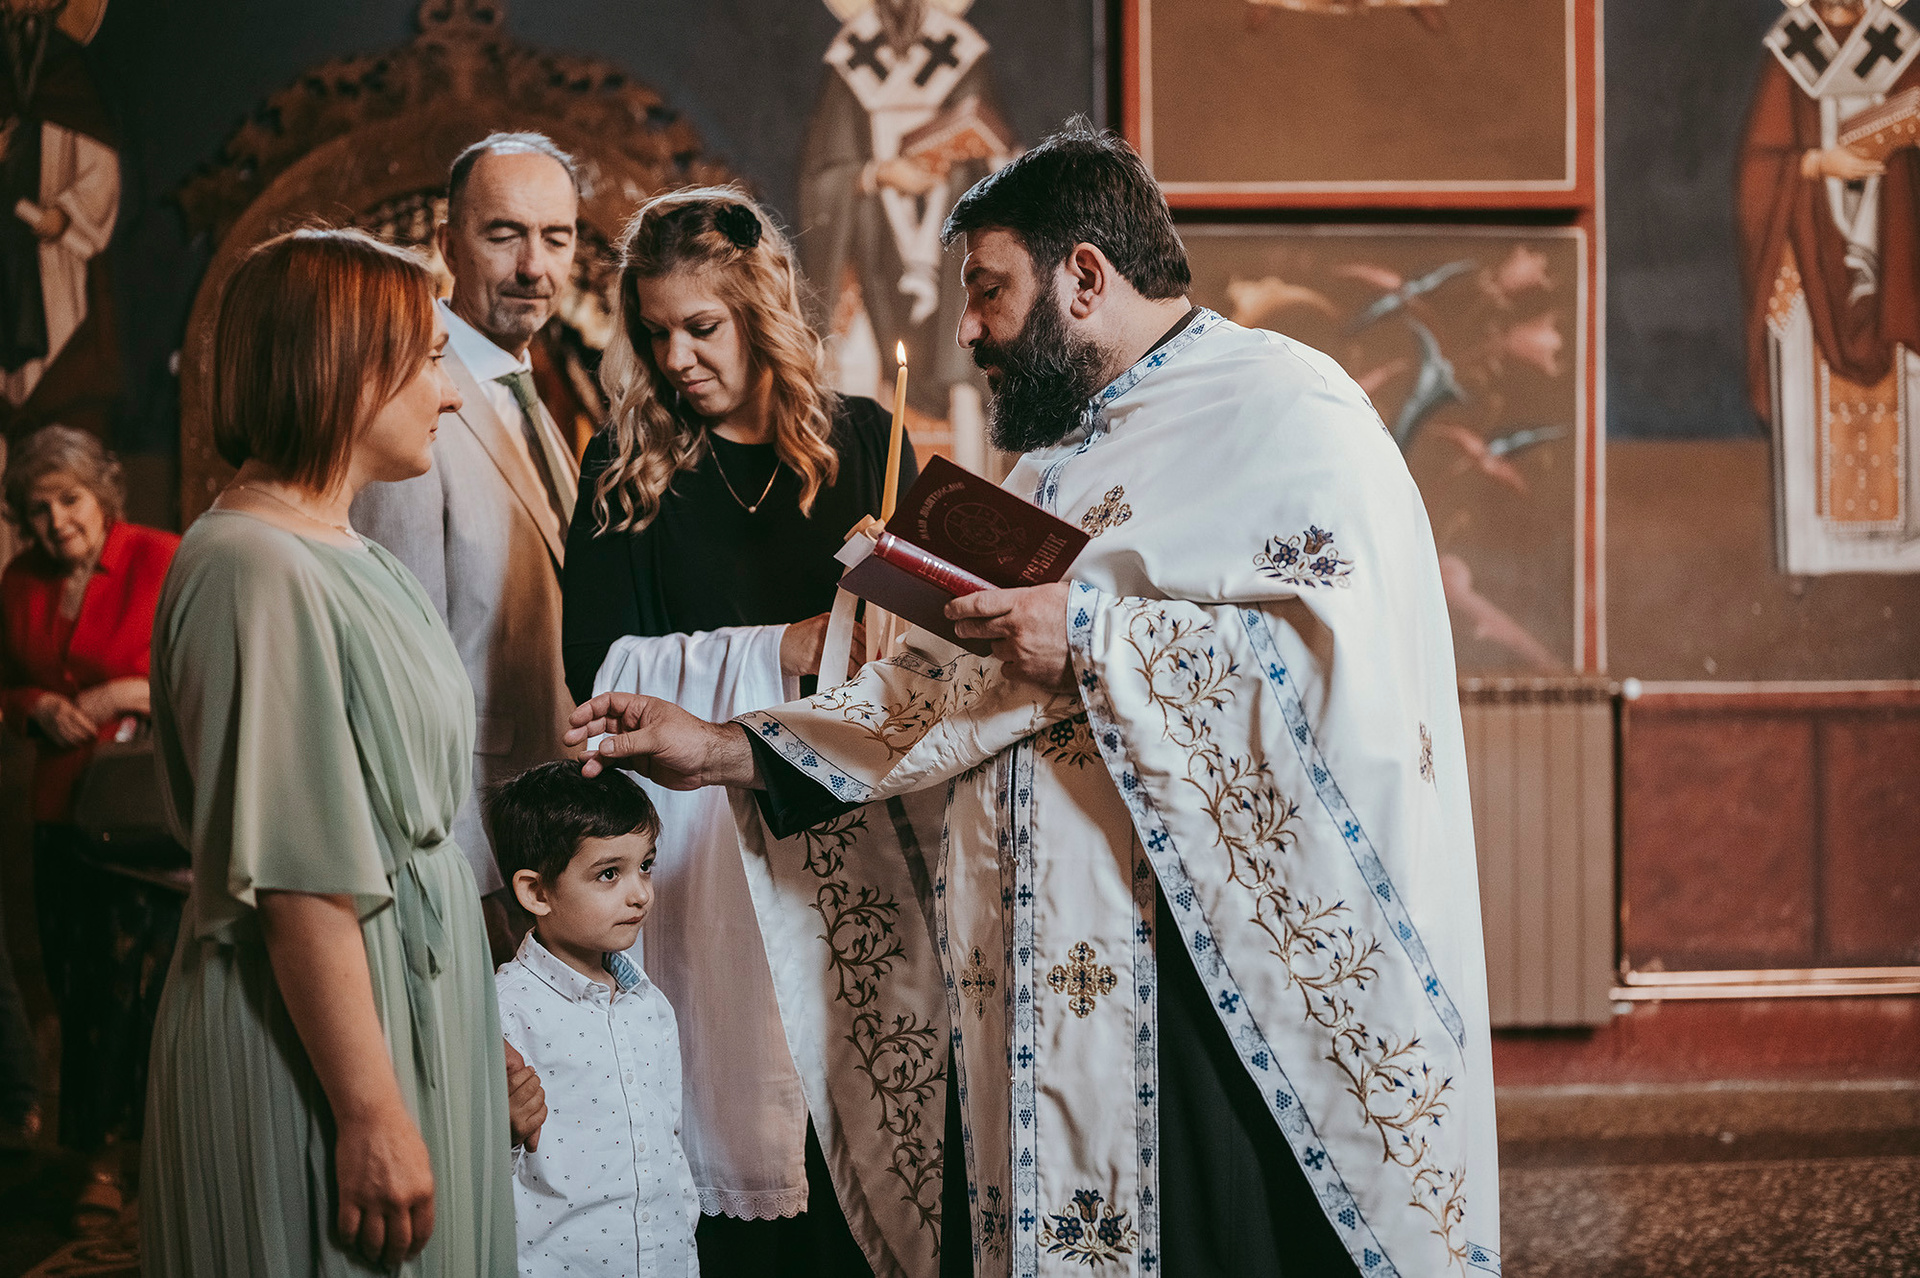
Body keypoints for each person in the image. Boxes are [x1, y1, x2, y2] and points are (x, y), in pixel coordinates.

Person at [567, 123, 1501, 1278]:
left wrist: (1096, 636)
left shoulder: (1289, 411)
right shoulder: (1055, 458)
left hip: (1203, 991)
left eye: (988, 290)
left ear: (1085, 278)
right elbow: (947, 684)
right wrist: (722, 747)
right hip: (1035, 984)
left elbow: (1345, 664)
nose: (967, 329)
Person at [141, 227, 515, 1276]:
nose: (451, 394)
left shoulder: (352, 553)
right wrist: (369, 1110)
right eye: (431, 358)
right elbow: (298, 875)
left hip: (406, 1001)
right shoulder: (251, 566)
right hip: (315, 1036)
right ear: (347, 368)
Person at [561, 186, 912, 1277]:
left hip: (850, 845)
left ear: (759, 312)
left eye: (702, 327)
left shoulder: (866, 442)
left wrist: (897, 619)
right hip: (698, 854)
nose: (677, 359)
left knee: (861, 1145)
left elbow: (920, 666)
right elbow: (597, 675)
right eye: (655, 332)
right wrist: (784, 646)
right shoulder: (625, 464)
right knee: (728, 1164)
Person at [352, 131, 584, 950]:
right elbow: (405, 675)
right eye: (504, 235)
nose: (534, 266)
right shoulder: (411, 396)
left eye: (556, 237)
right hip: (476, 852)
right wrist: (465, 873)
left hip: (549, 838)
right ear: (448, 245)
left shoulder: (534, 389)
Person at [0, 424, 178, 1220]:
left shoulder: (161, 557)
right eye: (37, 509)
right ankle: (96, 1152)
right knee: (76, 986)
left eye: (69, 500)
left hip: (144, 818)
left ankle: (127, 1160)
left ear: (102, 495)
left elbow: (205, 676)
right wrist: (33, 704)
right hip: (57, 814)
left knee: (136, 994)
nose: (56, 522)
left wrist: (125, 693)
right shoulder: (19, 580)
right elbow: (5, 685)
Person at [489, 760, 699, 1276]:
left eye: (645, 865)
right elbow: (481, 1166)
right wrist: (500, 1129)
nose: (640, 892)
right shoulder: (503, 1012)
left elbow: (668, 1145)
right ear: (537, 892)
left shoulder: (650, 1005)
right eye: (610, 873)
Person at [1741, 0, 1920, 571]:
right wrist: (1820, 164)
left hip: (1892, 254)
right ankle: (1817, 549)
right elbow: (1757, 171)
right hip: (1812, 253)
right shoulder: (1792, 52)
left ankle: (1900, 545)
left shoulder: (1899, 50)